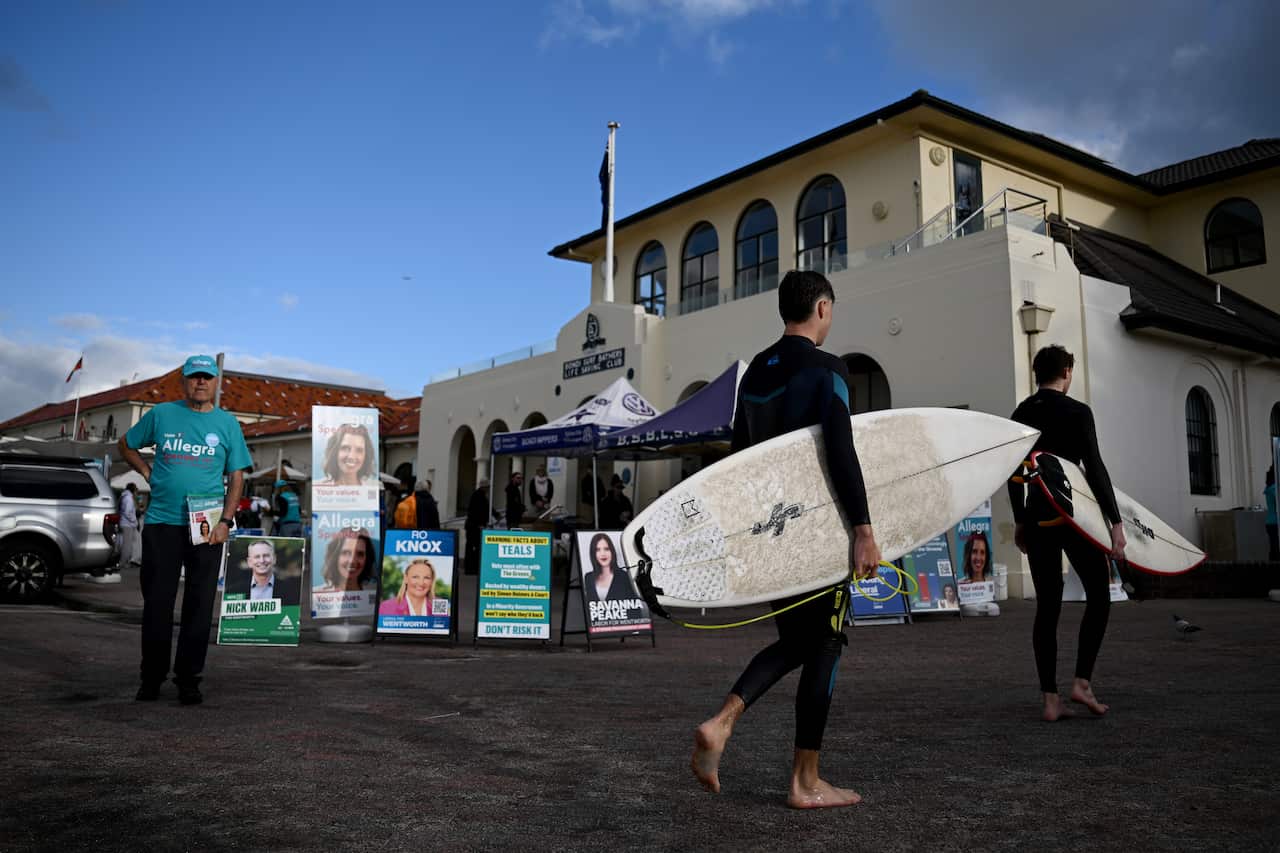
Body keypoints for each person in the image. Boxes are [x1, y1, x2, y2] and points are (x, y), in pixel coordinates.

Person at [691, 269, 881, 810]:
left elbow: (739, 465)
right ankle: (805, 781)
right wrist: (863, 532)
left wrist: (746, 537)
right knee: (824, 643)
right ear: (822, 308)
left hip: (773, 531)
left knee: (799, 641)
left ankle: (722, 723)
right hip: (819, 532)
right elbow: (841, 451)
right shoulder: (828, 368)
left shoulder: (752, 377)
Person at [118, 354, 252, 706]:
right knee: (157, 605)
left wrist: (225, 522)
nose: (201, 383)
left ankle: (189, 680)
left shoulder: (227, 424)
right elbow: (126, 444)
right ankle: (151, 678)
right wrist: (147, 473)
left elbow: (237, 477)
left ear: (217, 381)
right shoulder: (162, 414)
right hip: (162, 523)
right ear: (185, 381)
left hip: (206, 529)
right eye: (195, 377)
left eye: (207, 377)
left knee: (199, 605)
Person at [1009, 344, 1126, 723]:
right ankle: (1082, 682)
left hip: (1039, 519)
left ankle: (1050, 699)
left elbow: (1014, 476)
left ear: (1036, 374)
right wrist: (1115, 522)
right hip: (1076, 518)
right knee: (1098, 594)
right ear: (1068, 372)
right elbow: (1094, 466)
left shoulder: (1022, 414)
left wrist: (1021, 520)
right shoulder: (1078, 413)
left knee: (1048, 607)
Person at [232, 539, 300, 606]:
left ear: (274, 559)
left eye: (266, 555)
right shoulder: (234, 591)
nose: (262, 560)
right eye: (257, 557)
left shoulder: (290, 591)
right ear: (249, 562)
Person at [583, 532, 636, 602]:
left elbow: (634, 607)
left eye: (606, 549)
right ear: (593, 553)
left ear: (612, 551)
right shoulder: (588, 578)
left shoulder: (625, 577)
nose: (603, 554)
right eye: (598, 550)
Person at [464, 480, 495, 576]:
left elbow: (487, 508)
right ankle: (471, 568)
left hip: (473, 525)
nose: (489, 489)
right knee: (473, 547)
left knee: (473, 547)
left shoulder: (479, 495)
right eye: (488, 487)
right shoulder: (479, 496)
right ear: (484, 487)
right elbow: (479, 511)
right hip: (475, 526)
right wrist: (481, 523)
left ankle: (471, 568)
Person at [115, 483, 140, 569]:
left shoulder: (124, 496)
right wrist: (135, 521)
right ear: (133, 489)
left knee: (122, 543)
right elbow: (128, 512)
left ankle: (123, 561)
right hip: (127, 524)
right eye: (136, 490)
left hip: (123, 523)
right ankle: (123, 563)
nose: (137, 492)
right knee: (127, 545)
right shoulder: (129, 498)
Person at [1264, 465, 1277, 562]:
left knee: (1274, 548)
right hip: (1275, 522)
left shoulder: (1269, 488)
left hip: (1270, 522)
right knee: (1276, 549)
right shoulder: (1274, 489)